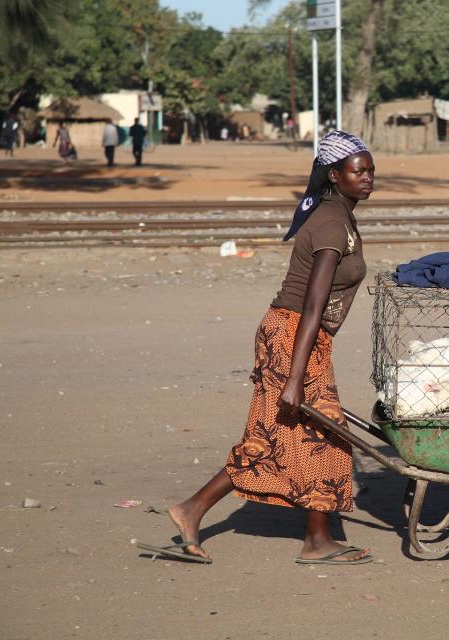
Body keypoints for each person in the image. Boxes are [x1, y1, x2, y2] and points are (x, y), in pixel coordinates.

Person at [138, 131, 375, 565]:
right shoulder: (330, 223)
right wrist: (295, 378)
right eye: (358, 171)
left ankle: (196, 510)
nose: (368, 179)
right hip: (293, 335)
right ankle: (314, 540)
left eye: (370, 170)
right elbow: (313, 304)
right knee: (318, 435)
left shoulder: (339, 214)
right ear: (334, 175)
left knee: (280, 438)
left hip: (297, 335)